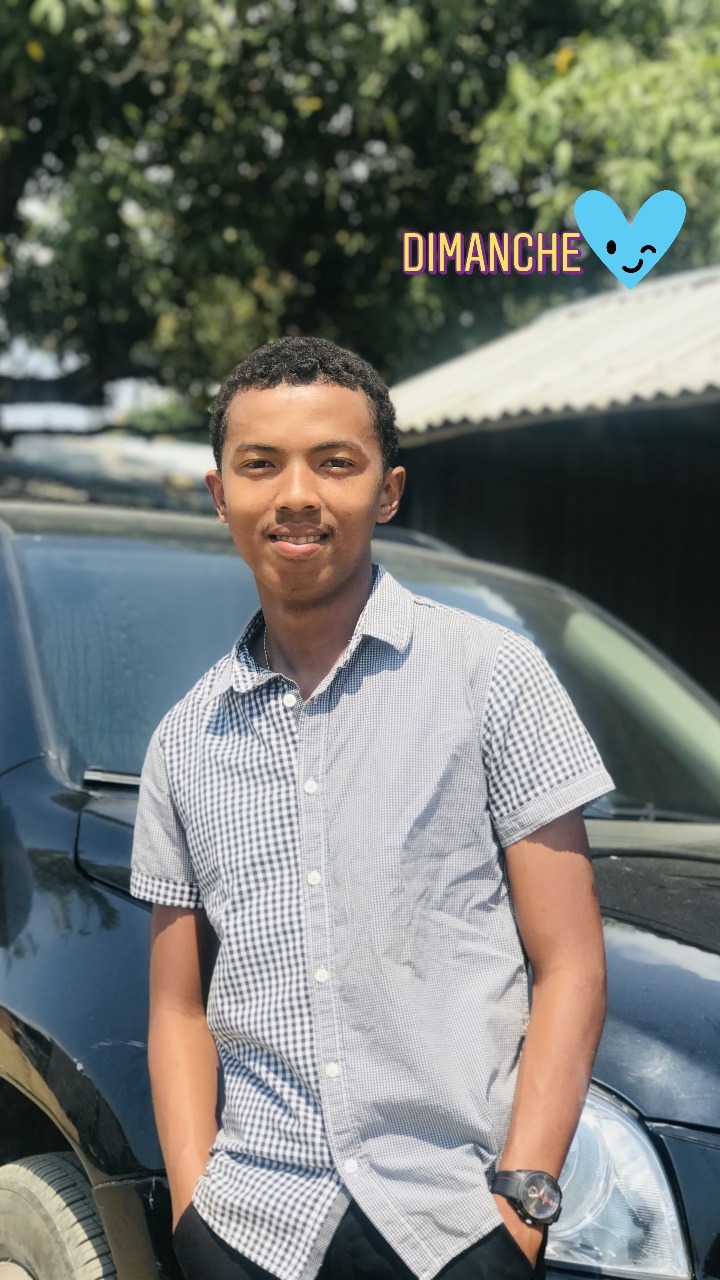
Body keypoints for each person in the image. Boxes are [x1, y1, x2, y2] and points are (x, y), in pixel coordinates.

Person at [130, 335, 615, 1280]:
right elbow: (178, 1007)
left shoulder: (492, 677)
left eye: (334, 462)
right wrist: (194, 1213)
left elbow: (572, 963)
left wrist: (523, 1203)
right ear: (219, 493)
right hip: (252, 1230)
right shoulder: (185, 741)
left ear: (387, 491)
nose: (297, 494)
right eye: (260, 464)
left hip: (456, 1226)